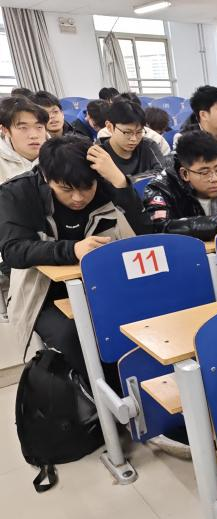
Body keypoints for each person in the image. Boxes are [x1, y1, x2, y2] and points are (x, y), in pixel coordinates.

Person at [0, 135, 151, 365]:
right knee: (75, 336)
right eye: (66, 189)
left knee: (139, 321)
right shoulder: (17, 193)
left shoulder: (105, 184)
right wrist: (73, 250)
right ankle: (92, 387)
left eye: (87, 188)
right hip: (42, 295)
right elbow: (14, 251)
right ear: (46, 177)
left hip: (103, 286)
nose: (78, 198)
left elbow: (146, 233)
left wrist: (121, 182)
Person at [144, 130, 217, 240]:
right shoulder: (161, 187)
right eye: (204, 172)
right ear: (185, 174)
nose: (214, 179)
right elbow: (160, 226)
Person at [98, 99, 165, 177]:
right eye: (127, 132)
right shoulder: (99, 153)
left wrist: (124, 181)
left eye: (139, 132)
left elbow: (163, 173)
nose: (134, 139)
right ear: (110, 127)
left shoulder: (149, 146)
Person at [0, 97, 48, 182]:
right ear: (5, 130)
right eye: (23, 128)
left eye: (39, 127)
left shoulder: (60, 154)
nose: (34, 136)